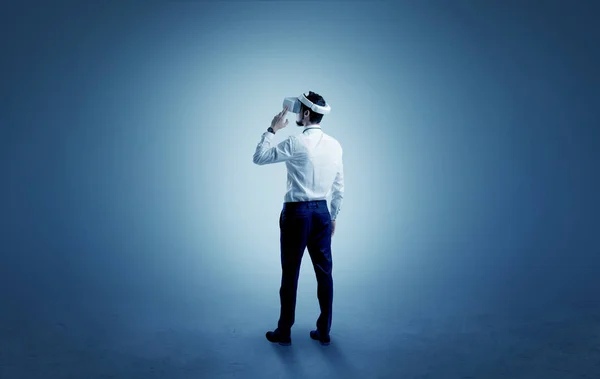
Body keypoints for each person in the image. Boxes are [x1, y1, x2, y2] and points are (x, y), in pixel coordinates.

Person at [253, 91, 344, 346]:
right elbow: (339, 186)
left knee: (290, 273)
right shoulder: (335, 145)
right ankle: (324, 331)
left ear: (305, 114)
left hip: (296, 214)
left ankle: (284, 332)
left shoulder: (295, 142)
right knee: (325, 273)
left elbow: (259, 157)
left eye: (298, 111)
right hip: (322, 213)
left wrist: (272, 128)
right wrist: (333, 216)